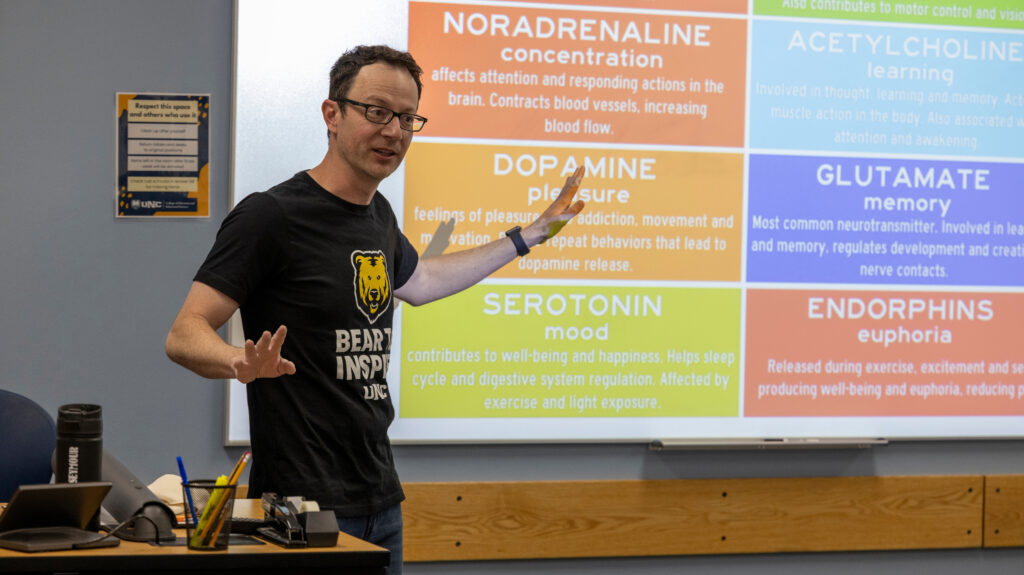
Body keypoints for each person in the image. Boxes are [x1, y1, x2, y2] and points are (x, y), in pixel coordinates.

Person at [165, 45, 584, 573]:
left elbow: (424, 280)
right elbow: (184, 332)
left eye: (408, 118)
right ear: (332, 114)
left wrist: (526, 237)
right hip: (300, 509)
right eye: (378, 112)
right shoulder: (270, 216)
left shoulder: (378, 215)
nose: (395, 132)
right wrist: (237, 363)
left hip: (380, 499)